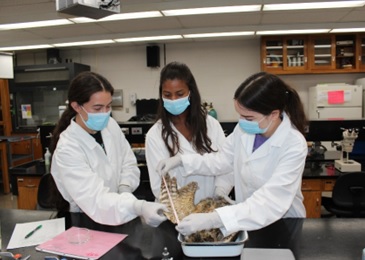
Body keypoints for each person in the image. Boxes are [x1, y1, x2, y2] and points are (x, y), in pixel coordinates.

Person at [157, 72, 308, 237]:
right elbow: (220, 161)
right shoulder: (245, 129)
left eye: (248, 117)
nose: (242, 122)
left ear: (273, 114)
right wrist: (182, 161)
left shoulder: (293, 144)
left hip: (283, 224)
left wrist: (213, 219)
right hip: (245, 221)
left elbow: (271, 200)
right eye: (240, 115)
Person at [50, 71, 167, 227]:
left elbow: (128, 162)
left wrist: (124, 188)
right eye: (97, 108)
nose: (105, 113)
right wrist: (138, 206)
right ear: (76, 106)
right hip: (87, 221)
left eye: (108, 106)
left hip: (121, 211)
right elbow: (95, 200)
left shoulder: (110, 125)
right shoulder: (68, 147)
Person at [145, 61, 233, 204]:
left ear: (190, 92)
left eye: (180, 94)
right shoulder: (155, 134)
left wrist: (220, 191)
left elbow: (226, 164)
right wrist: (185, 208)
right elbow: (159, 185)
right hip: (175, 214)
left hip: (211, 208)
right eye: (167, 95)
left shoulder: (211, 125)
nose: (173, 100)